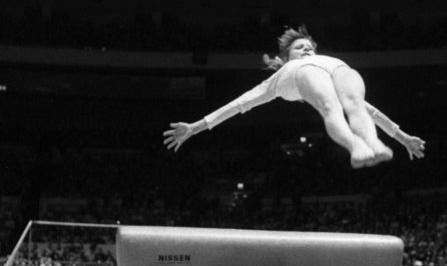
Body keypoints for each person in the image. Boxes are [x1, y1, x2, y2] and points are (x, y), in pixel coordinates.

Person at [163, 26, 425, 169]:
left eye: (310, 47)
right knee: (330, 107)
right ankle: (356, 146)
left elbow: (373, 111)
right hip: (307, 75)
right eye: (300, 47)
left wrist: (403, 139)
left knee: (356, 104)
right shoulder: (282, 75)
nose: (307, 49)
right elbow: (239, 104)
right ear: (286, 57)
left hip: (338, 67)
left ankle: (374, 145)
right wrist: (196, 127)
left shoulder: (320, 59)